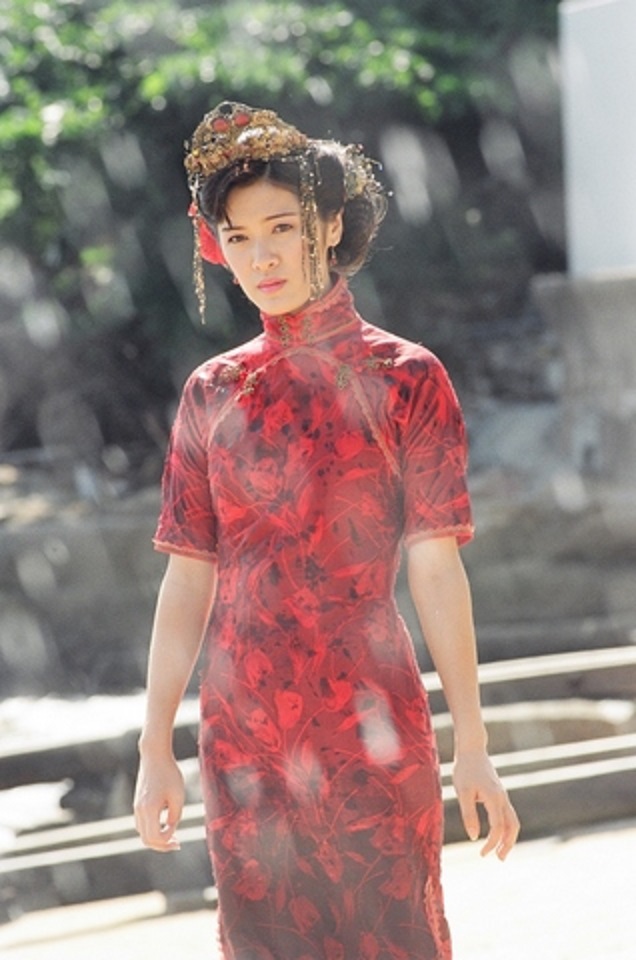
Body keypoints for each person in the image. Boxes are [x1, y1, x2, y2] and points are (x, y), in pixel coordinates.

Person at [134, 100, 519, 960]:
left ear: (330, 225)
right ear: (215, 249)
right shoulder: (210, 393)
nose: (262, 256)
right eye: (238, 237)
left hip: (371, 724)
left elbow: (436, 568)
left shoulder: (406, 377)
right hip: (243, 735)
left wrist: (474, 744)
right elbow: (188, 577)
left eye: (281, 227)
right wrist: (155, 744)